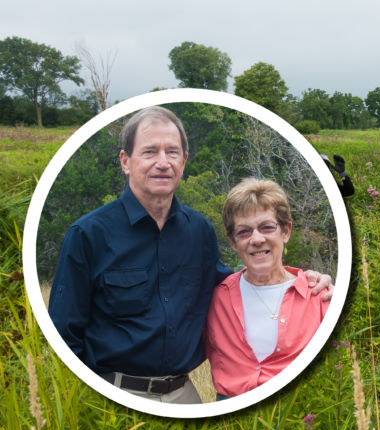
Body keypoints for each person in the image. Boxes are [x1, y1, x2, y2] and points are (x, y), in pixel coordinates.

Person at [48, 106, 332, 404]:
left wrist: (305, 280)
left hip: (184, 394)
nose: (162, 162)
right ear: (125, 161)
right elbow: (63, 335)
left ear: (183, 161)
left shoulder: (198, 231)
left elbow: (239, 283)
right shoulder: (88, 234)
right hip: (114, 392)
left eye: (172, 152)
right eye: (149, 152)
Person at [203, 179, 329, 398]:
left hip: (301, 416)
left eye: (267, 227)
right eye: (244, 232)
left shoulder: (319, 297)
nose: (257, 239)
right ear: (233, 242)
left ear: (286, 231)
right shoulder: (215, 298)